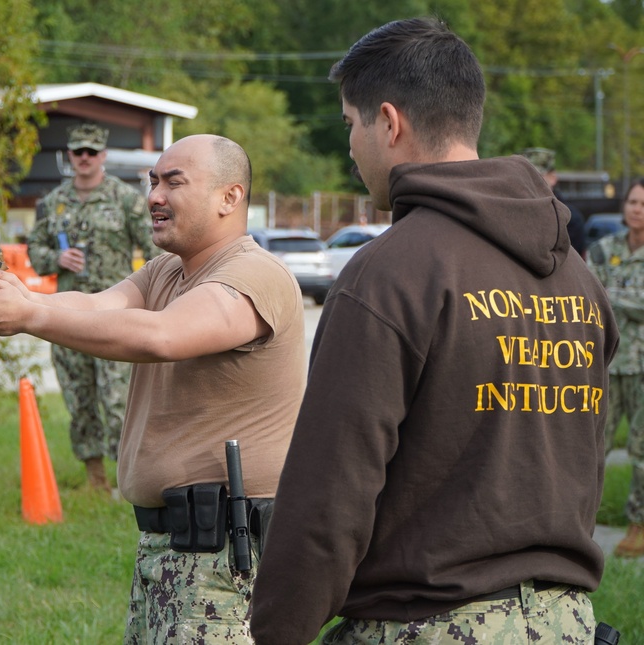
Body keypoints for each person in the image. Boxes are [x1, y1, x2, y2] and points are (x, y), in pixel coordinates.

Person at [250, 17, 619, 644]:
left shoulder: (389, 274)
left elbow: (329, 498)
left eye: (349, 125)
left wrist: (276, 630)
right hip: (564, 625)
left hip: (426, 623)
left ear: (389, 123)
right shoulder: (579, 279)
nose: (350, 148)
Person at [0, 134, 306, 642]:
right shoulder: (170, 269)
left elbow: (163, 336)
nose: (154, 196)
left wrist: (30, 315)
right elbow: (99, 305)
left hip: (220, 557)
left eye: (174, 182)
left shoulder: (252, 274)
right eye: (152, 182)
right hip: (171, 547)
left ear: (229, 197)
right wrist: (18, 296)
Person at [26, 123, 159, 492]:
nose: (84, 158)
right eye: (77, 151)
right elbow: (34, 253)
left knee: (117, 398)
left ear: (102, 156)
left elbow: (154, 248)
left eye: (91, 151)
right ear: (69, 156)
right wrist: (56, 258)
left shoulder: (125, 199)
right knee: (78, 397)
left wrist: (157, 295)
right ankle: (94, 478)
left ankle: (126, 481)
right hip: (67, 315)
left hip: (114, 313)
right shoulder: (52, 203)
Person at [586, 178, 644, 558]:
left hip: (641, 367)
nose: (637, 208)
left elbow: (608, 300)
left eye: (643, 203)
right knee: (590, 445)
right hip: (606, 363)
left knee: (641, 451)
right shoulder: (603, 250)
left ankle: (637, 526)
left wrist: (615, 298)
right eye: (632, 201)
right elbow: (588, 297)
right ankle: (578, 523)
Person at [521, 146, 588, 257]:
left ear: (553, 177)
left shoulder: (569, 219)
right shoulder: (516, 211)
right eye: (525, 175)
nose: (531, 180)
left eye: (538, 175)